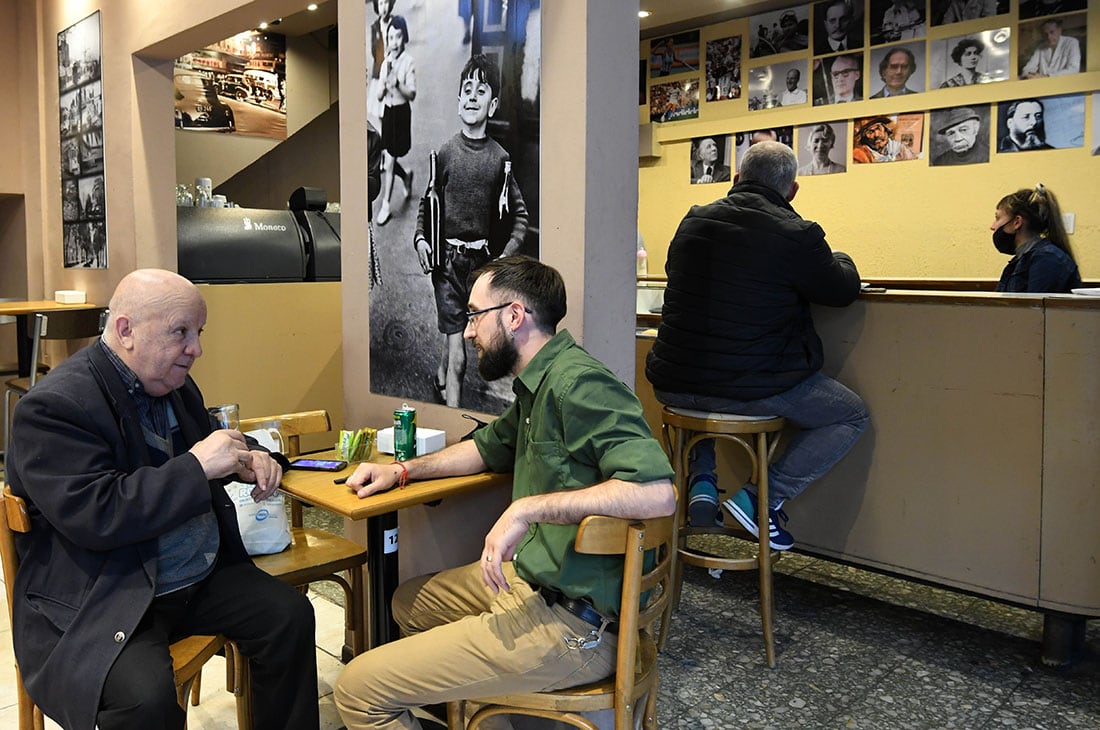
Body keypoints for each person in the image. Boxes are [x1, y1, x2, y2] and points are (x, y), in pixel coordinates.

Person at [334, 255, 676, 729]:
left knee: (355, 690)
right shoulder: (539, 386)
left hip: (575, 623)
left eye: (475, 315)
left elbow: (658, 492)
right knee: (408, 602)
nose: (468, 330)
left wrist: (527, 509)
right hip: (529, 582)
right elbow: (484, 448)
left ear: (514, 316)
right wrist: (402, 472)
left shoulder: (579, 384)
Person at [5, 269, 319, 730]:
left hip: (197, 576)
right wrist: (196, 466)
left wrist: (256, 456)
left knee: (289, 617)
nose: (196, 349)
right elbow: (97, 514)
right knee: (143, 701)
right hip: (111, 592)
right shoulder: (54, 407)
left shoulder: (173, 384)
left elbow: (213, 444)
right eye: (181, 332)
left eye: (198, 333)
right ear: (126, 330)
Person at [647, 141, 869, 549]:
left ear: (735, 180)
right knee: (850, 415)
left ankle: (703, 480)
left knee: (708, 379)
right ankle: (760, 499)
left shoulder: (692, 222)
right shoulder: (798, 234)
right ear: (792, 191)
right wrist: (842, 256)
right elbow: (841, 290)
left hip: (671, 382)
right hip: (749, 389)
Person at [415, 54, 529, 409]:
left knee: (463, 338)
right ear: (458, 99)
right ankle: (453, 418)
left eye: (482, 91)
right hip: (447, 265)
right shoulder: (445, 153)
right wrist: (421, 240)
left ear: (492, 105)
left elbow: (520, 215)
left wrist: (506, 253)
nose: (473, 96)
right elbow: (427, 203)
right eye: (467, 89)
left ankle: (439, 377)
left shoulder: (500, 159)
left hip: (481, 268)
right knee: (460, 356)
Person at [991, 185, 1082, 292]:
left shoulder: (1047, 258)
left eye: (997, 218)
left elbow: (1034, 307)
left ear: (1017, 222)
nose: (993, 226)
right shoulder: (1021, 260)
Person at [375, 14, 416, 225]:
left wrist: (397, 83)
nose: (394, 43)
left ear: (404, 38)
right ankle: (406, 175)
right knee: (390, 159)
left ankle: (386, 205)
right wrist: (382, 87)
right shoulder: (385, 64)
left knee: (391, 158)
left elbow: (412, 94)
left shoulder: (408, 62)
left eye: (398, 37)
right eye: (391, 38)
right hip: (388, 114)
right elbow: (379, 95)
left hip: (401, 114)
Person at [853, 116, 918, 163]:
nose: (877, 135)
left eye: (878, 128)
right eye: (870, 132)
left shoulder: (898, 148)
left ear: (887, 130)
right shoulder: (860, 155)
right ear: (864, 137)